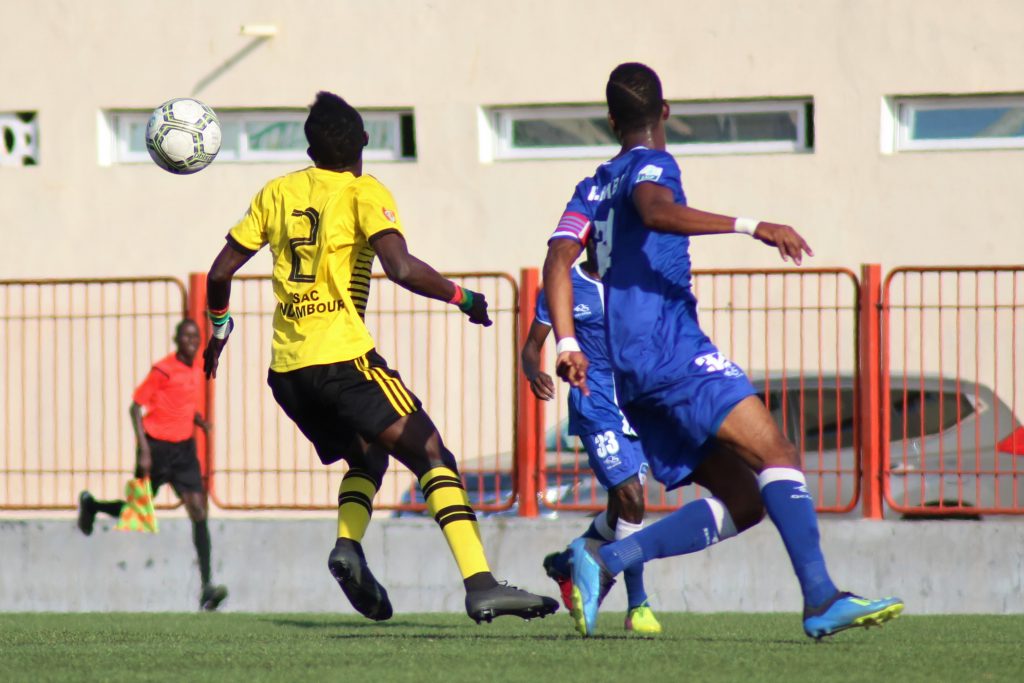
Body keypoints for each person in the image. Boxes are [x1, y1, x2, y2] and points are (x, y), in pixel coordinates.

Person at [542, 62, 904, 638]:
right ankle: (821, 599)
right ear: (664, 112)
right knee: (778, 452)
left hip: (630, 369)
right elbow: (656, 210)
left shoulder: (591, 187)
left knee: (744, 497)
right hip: (670, 348)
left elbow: (558, 261)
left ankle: (605, 558)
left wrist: (565, 341)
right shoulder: (653, 163)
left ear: (611, 120)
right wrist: (751, 224)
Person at [201, 91, 557, 624]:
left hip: (288, 374)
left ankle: (348, 547)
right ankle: (481, 583)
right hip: (345, 362)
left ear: (309, 145)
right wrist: (465, 298)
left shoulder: (277, 191)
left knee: (368, 458)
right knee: (434, 456)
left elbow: (219, 274)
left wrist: (220, 331)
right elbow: (401, 267)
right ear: (364, 141)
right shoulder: (364, 191)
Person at [520, 250, 661, 634]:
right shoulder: (564, 284)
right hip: (593, 405)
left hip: (637, 409)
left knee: (623, 511)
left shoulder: (636, 281)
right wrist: (533, 372)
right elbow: (531, 346)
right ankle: (639, 605)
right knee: (632, 497)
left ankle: (568, 562)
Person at [77, 318, 229, 611]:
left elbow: (179, 401)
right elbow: (136, 406)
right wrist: (144, 450)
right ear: (177, 340)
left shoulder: (197, 368)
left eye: (195, 338)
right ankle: (92, 506)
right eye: (186, 337)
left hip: (184, 450)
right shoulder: (162, 369)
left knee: (199, 510)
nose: (192, 342)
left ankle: (207, 586)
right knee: (137, 511)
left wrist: (197, 420)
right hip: (156, 448)